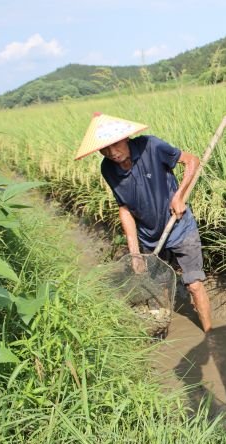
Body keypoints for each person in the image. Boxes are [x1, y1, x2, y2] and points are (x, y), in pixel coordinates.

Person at [75, 112, 212, 333]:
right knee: (160, 287)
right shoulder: (107, 168)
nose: (112, 153)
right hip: (148, 236)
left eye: (115, 145)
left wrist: (179, 196)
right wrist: (135, 253)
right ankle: (163, 328)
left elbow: (192, 161)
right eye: (104, 149)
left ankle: (210, 336)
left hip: (179, 227)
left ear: (126, 138)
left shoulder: (152, 146)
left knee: (194, 285)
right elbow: (125, 208)